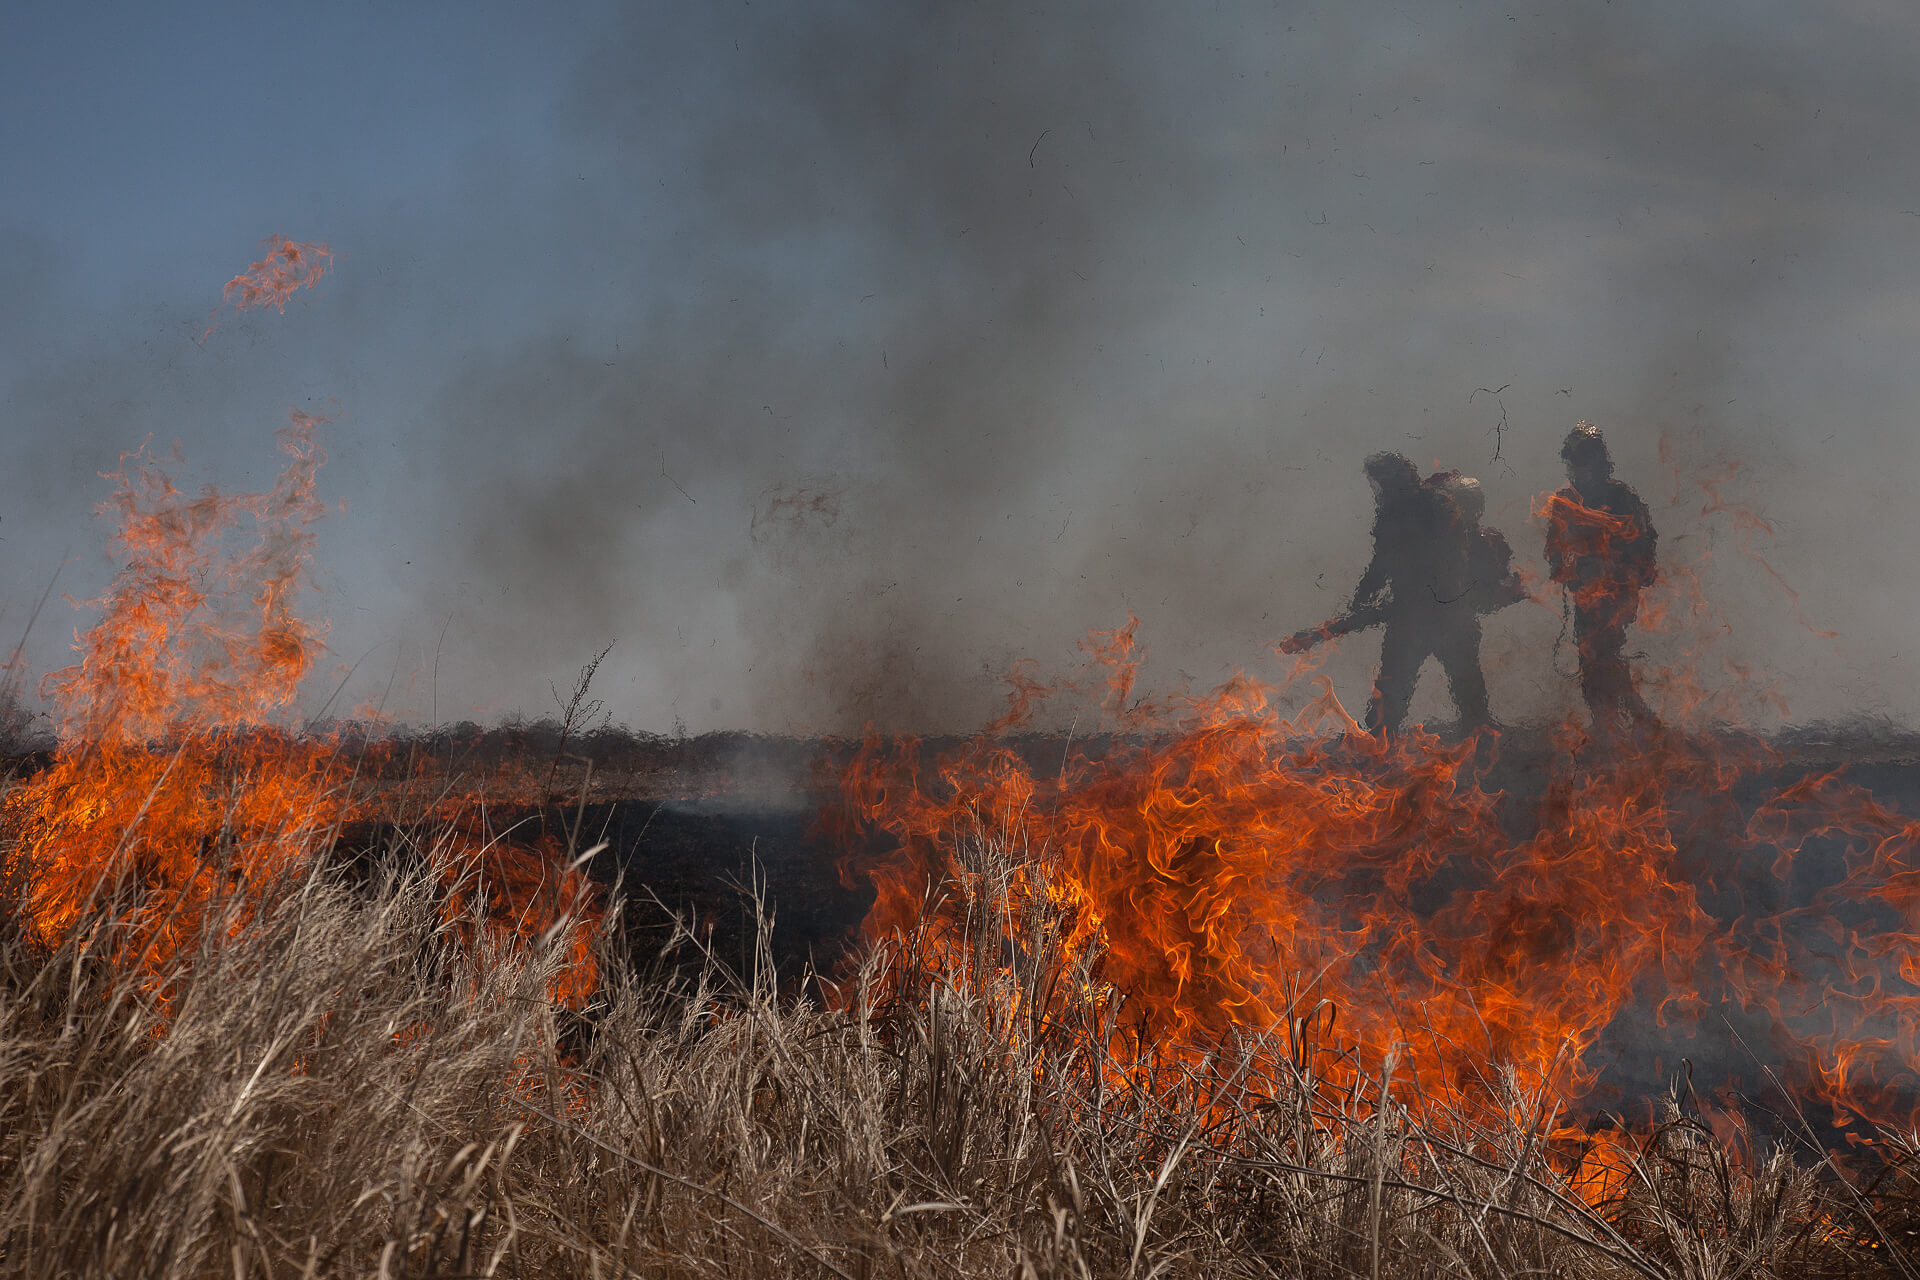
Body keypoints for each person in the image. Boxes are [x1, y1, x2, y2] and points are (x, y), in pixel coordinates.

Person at [1283, 452, 1477, 737]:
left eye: (1382, 482)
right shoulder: (1391, 513)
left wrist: (1423, 596)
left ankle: (1482, 748)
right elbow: (1380, 563)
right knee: (1391, 691)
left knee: (1467, 689)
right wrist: (1360, 602)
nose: (1379, 490)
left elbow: (1452, 559)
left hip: (1447, 611)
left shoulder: (1436, 505)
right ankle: (1378, 748)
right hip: (1409, 614)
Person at [1541, 422, 1658, 733]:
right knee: (1595, 657)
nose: (1582, 468)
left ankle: (1617, 724)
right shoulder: (1566, 499)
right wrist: (1565, 571)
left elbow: (1644, 540)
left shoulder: (1621, 497)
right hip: (1587, 590)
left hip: (1617, 589)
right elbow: (1554, 546)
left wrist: (1628, 572)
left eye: (1587, 459)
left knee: (1601, 655)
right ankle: (1626, 721)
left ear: (1600, 461)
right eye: (1577, 461)